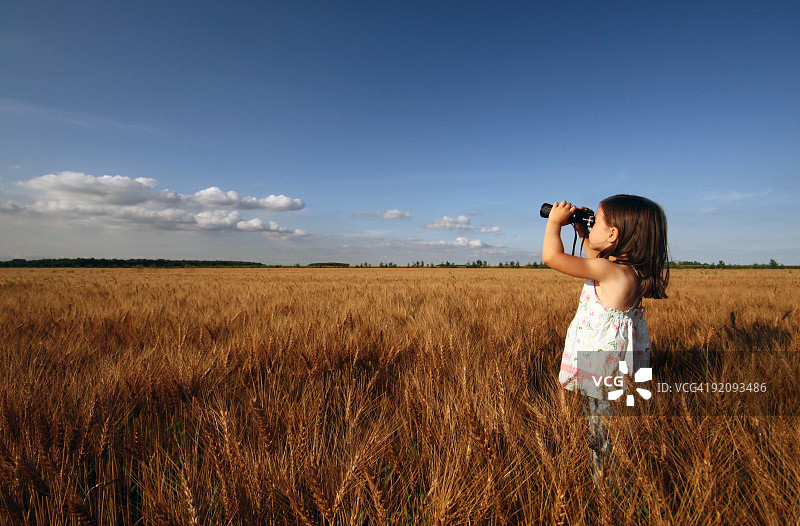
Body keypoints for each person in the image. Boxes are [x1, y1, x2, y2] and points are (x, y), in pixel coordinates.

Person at [541, 194, 669, 484]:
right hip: (615, 366)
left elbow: (552, 257)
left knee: (600, 431)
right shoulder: (630, 271)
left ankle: (606, 485)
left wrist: (555, 223)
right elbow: (595, 259)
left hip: (600, 366)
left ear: (613, 234)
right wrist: (583, 232)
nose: (591, 225)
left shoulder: (610, 271)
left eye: (595, 222)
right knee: (611, 424)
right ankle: (618, 474)